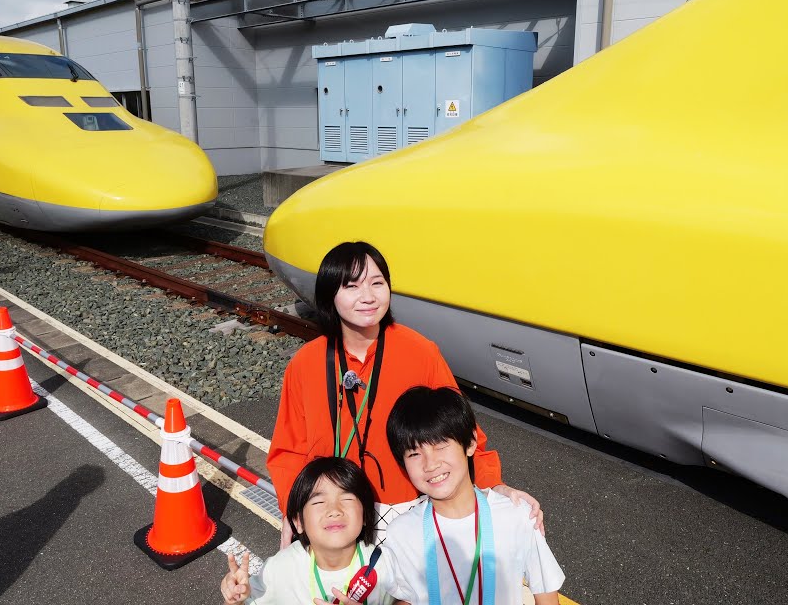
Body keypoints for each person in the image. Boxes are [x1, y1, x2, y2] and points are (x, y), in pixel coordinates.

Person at [268, 242, 542, 545]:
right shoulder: (305, 364)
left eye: (377, 283)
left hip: (410, 514)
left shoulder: (420, 352)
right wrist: (292, 511)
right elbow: (288, 451)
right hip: (336, 518)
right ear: (329, 296)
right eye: (352, 287)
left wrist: (496, 487)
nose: (368, 297)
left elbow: (460, 432)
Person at [383, 387, 565, 605]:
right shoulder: (400, 533)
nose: (430, 464)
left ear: (470, 443)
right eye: (414, 453)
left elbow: (546, 595)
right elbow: (406, 598)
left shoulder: (515, 515)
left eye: (440, 446)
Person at [221, 457, 398, 605]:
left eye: (347, 498)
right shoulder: (281, 568)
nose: (334, 510)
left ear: (366, 515)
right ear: (298, 522)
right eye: (319, 502)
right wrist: (234, 599)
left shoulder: (385, 567)